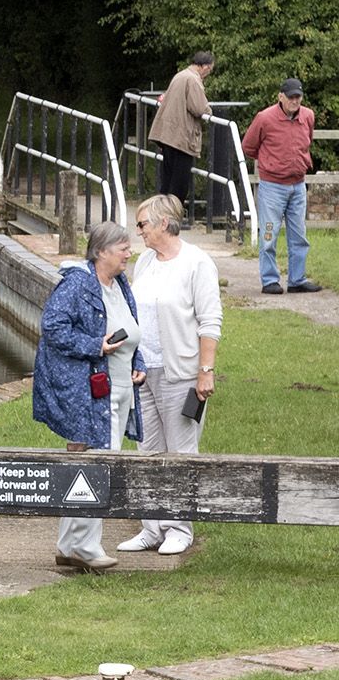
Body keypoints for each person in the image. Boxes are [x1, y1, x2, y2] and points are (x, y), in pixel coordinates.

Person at [33, 226, 144, 572]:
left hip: (119, 388)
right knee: (97, 464)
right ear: (101, 252)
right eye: (122, 248)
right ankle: (85, 546)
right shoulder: (78, 284)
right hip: (92, 394)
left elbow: (131, 330)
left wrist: (136, 363)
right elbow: (53, 327)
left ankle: (70, 544)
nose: (128, 254)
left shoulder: (119, 284)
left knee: (91, 463)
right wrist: (95, 345)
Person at [120, 194, 222, 556]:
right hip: (143, 372)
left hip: (180, 373)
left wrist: (205, 372)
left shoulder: (197, 264)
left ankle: (180, 527)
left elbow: (210, 322)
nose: (139, 232)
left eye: (143, 224)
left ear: (164, 223)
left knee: (180, 452)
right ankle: (152, 526)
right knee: (147, 450)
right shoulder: (146, 260)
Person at [243, 77, 320, 294]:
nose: (295, 101)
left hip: (298, 184)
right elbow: (248, 146)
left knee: (299, 235)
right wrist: (271, 162)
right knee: (269, 234)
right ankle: (269, 280)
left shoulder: (308, 116)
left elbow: (308, 141)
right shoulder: (264, 118)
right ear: (281, 97)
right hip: (272, 186)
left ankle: (297, 279)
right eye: (291, 97)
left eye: (298, 97)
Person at [150, 52, 215, 215]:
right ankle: (172, 216)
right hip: (181, 137)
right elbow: (199, 108)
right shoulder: (193, 80)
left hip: (168, 134)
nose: (208, 74)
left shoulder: (180, 75)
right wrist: (209, 112)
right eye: (210, 70)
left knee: (168, 179)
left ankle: (161, 214)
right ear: (205, 66)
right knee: (179, 183)